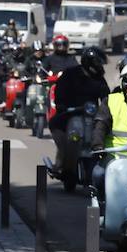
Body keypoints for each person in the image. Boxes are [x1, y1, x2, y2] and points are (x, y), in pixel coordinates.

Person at [47, 46, 110, 183]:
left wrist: (108, 108)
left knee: (105, 135)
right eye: (97, 63)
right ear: (89, 63)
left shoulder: (99, 79)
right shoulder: (71, 74)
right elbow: (59, 92)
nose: (100, 67)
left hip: (92, 116)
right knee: (66, 139)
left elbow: (107, 97)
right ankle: (61, 166)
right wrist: (62, 105)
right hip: (68, 114)